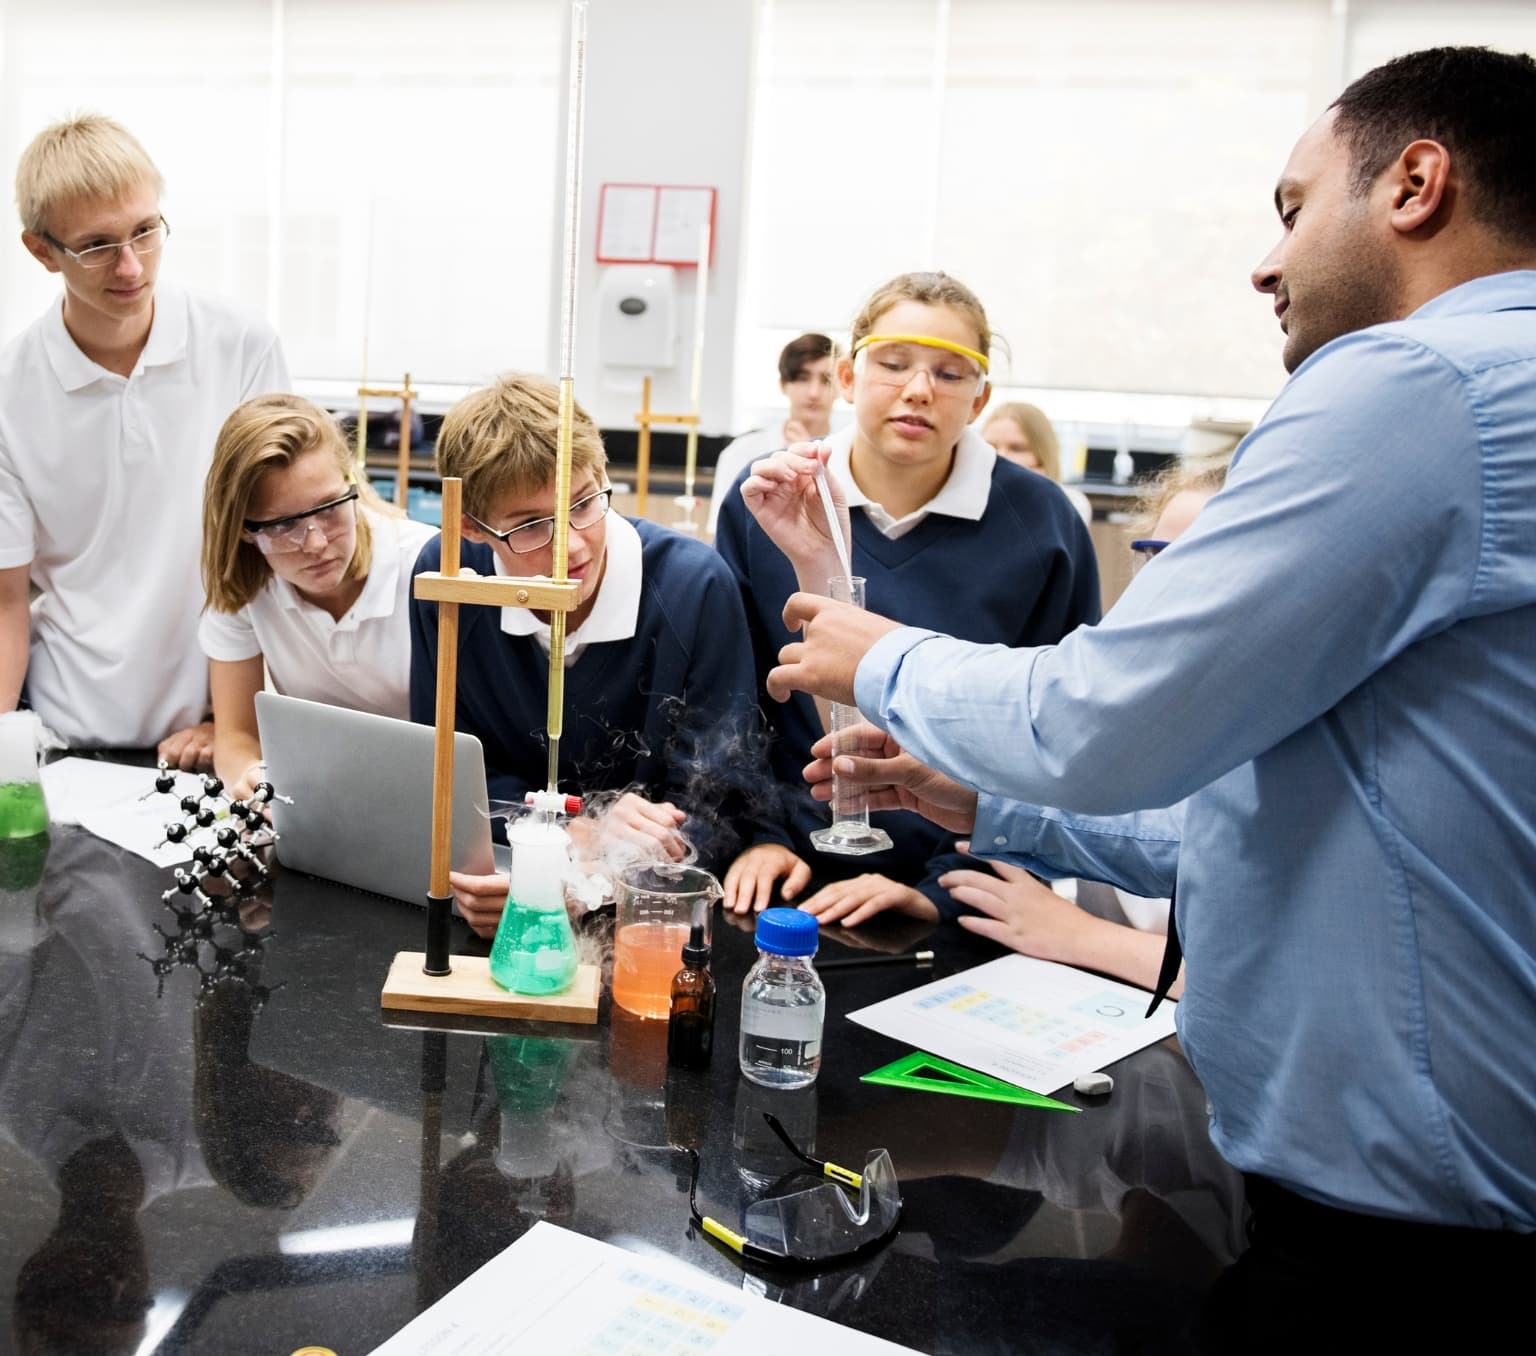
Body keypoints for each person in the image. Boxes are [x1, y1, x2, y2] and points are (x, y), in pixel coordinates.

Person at [768, 45, 1536, 1346]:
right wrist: (992, 805)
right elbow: (1298, 812)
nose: (1267, 263)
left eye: (1295, 209)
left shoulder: (1422, 382)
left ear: (1415, 183)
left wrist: (877, 655)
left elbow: (1107, 719)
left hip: (1410, 1239)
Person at [716, 271, 1100, 923]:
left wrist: (943, 886)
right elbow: (729, 697)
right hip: (781, 878)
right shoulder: (769, 505)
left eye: (950, 374)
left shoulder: (1044, 526)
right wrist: (759, 837)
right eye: (893, 364)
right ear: (846, 377)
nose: (919, 391)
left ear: (980, 400)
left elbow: (1056, 733)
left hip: (957, 891)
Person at [409, 373, 762, 937]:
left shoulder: (694, 588)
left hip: (643, 916)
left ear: (602, 475)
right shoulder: (453, 580)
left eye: (583, 503)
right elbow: (447, 772)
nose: (570, 545)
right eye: (528, 527)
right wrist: (570, 833)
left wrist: (582, 879)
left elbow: (720, 804)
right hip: (504, 877)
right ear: (471, 530)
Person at [0, 115, 289, 765]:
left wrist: (236, 724)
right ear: (42, 251)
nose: (131, 266)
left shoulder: (240, 345)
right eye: (97, 245)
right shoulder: (9, 393)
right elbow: (5, 600)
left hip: (215, 729)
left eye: (145, 232)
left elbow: (277, 550)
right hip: (64, 731)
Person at [939, 450, 1231, 995]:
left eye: (1199, 561)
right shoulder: (1122, 699)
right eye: (1155, 557)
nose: (1167, 587)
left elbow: (1262, 979)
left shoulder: (1277, 729)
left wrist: (1078, 935)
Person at [198, 394, 436, 802]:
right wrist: (251, 776)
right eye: (284, 524)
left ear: (353, 484)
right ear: (243, 529)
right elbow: (235, 734)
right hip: (323, 797)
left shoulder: (424, 568)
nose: (316, 543)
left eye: (329, 508)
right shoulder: (245, 586)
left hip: (430, 794)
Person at [705, 333, 837, 536]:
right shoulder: (740, 453)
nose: (814, 392)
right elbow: (722, 533)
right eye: (802, 378)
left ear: (842, 384)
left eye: (825, 380)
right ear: (784, 384)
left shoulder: (850, 455)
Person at [981, 401, 1092, 525]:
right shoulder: (971, 498)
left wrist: (1035, 490)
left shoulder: (1071, 501)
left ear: (1042, 455)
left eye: (1017, 448)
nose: (1000, 456)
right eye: (990, 446)